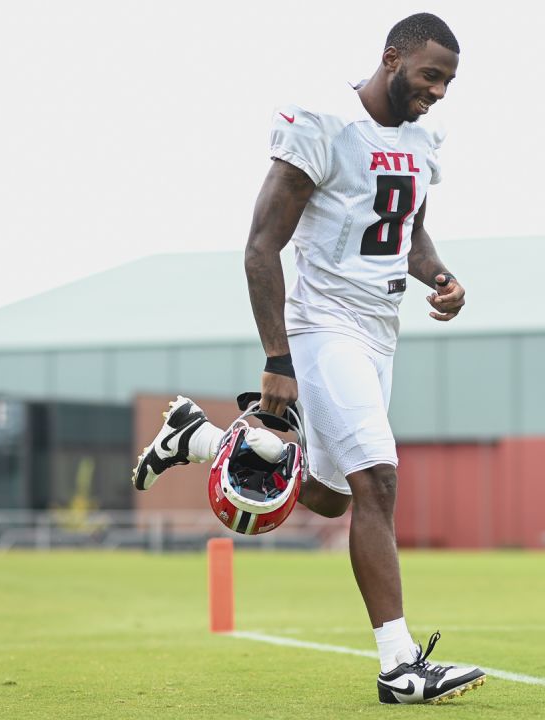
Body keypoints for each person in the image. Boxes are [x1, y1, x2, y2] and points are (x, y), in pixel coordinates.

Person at [132, 13, 483, 705]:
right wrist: (278, 359)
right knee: (379, 479)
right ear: (391, 59)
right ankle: (399, 666)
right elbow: (262, 245)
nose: (439, 91)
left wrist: (441, 278)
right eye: (430, 75)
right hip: (325, 325)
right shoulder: (323, 122)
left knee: (332, 496)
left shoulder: (421, 138)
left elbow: (407, 235)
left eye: (448, 81)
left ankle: (197, 437)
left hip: (381, 330)